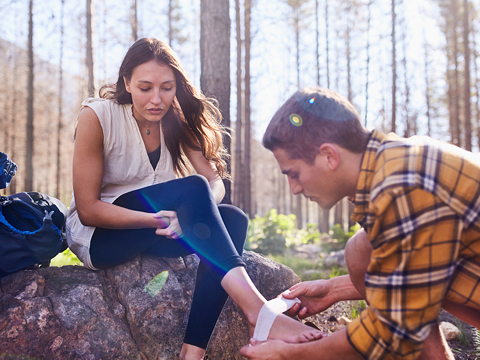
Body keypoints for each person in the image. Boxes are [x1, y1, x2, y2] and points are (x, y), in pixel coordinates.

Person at [66, 38, 323, 360]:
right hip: (102, 236)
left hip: (157, 230)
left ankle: (192, 352)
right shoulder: (98, 115)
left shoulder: (175, 120)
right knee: (192, 187)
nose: (157, 99)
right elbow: (89, 210)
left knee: (233, 219)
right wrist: (156, 219)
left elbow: (215, 182)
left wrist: (184, 217)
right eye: (145, 88)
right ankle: (258, 311)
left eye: (166, 88)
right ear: (127, 82)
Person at [240, 86, 480, 360]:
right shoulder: (387, 165)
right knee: (360, 249)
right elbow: (409, 269)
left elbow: (391, 331)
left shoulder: (403, 184)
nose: (294, 189)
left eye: (294, 174)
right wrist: (333, 290)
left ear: (329, 156)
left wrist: (292, 354)